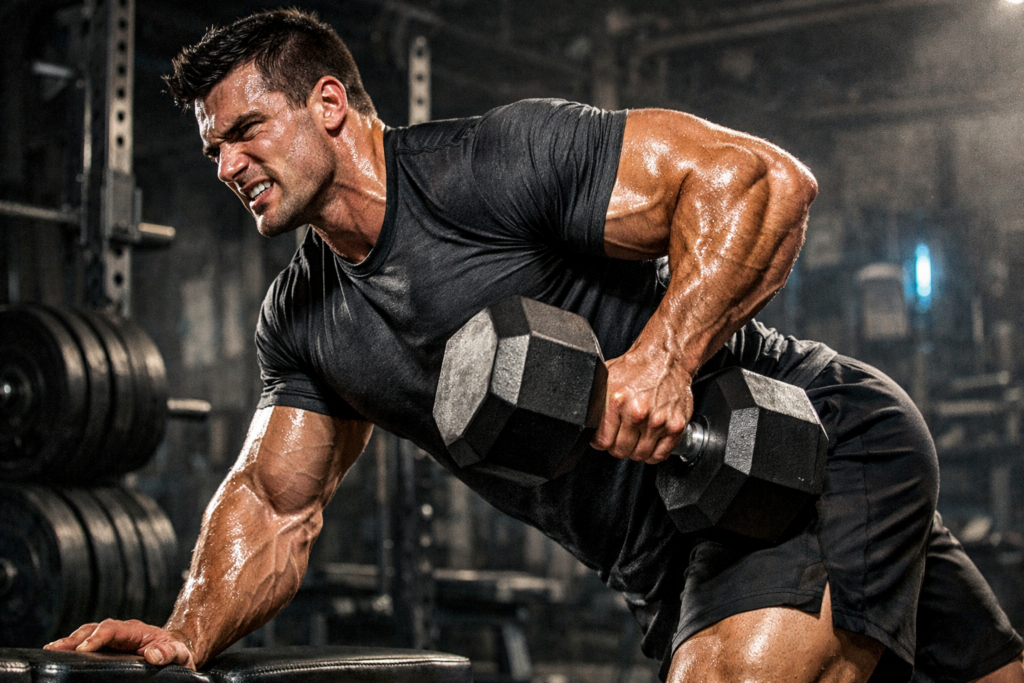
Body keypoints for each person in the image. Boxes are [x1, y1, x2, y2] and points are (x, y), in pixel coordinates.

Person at [45, 9, 1024, 682]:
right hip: (668, 554)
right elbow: (272, 502)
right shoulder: (306, 319)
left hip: (801, 454)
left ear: (329, 105)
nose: (226, 165)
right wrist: (182, 632)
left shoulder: (491, 166)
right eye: (214, 147)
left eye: (246, 130)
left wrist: (666, 357)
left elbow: (758, 181)